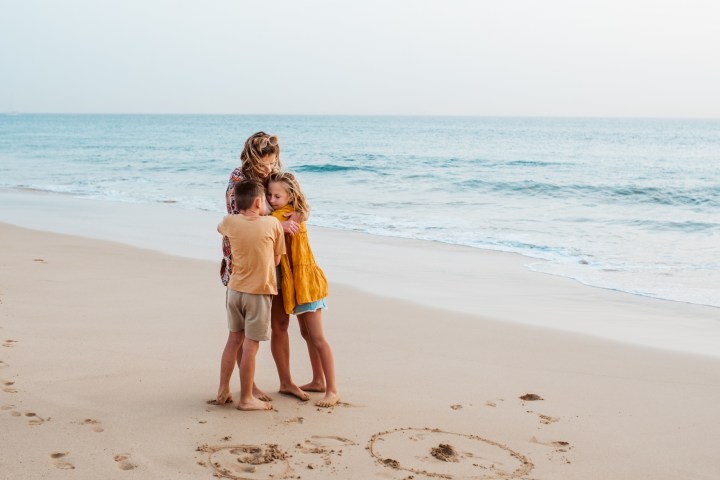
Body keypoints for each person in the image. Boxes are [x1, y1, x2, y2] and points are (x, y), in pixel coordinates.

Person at [219, 132, 307, 402]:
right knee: (243, 332)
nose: (269, 170)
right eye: (264, 165)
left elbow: (296, 199)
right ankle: (250, 387)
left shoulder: (273, 172)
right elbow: (241, 221)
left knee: (280, 322)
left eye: (273, 163)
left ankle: (287, 381)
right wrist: (276, 225)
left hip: (275, 256)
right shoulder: (239, 181)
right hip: (246, 263)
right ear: (251, 158)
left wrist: (300, 213)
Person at [267, 171, 340, 407]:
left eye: (277, 195)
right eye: (269, 195)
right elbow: (269, 221)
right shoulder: (281, 215)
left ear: (291, 195)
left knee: (317, 337)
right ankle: (318, 380)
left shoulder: (292, 215)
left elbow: (269, 222)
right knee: (306, 334)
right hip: (294, 284)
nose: (271, 199)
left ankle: (332, 390)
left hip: (306, 284)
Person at [216, 180, 285, 411]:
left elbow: (220, 228)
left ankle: (223, 390)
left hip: (234, 290)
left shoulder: (230, 222)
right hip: (258, 293)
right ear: (258, 202)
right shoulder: (272, 224)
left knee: (233, 340)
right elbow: (276, 259)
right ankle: (246, 398)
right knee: (250, 347)